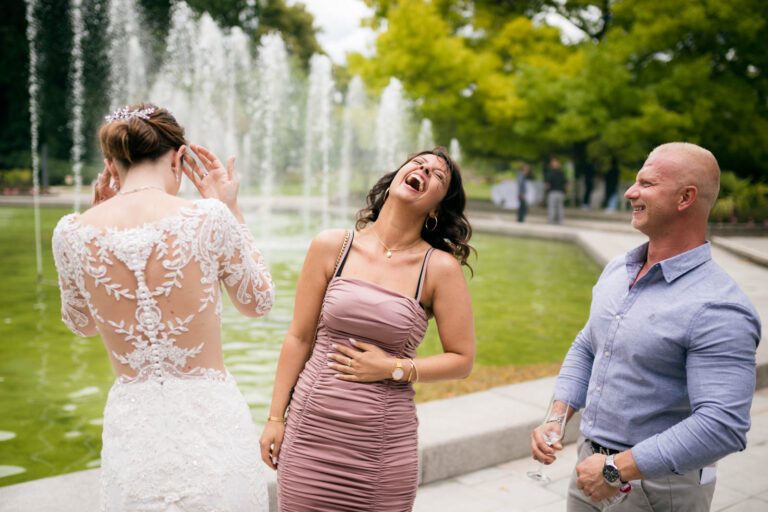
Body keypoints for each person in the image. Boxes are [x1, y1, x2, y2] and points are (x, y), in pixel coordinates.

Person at [52, 103, 274, 511]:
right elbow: (258, 301)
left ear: (111, 165)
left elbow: (81, 324)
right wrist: (231, 208)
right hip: (211, 421)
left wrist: (96, 209)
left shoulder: (72, 233)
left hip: (134, 429)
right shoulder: (209, 217)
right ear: (177, 158)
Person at [530, 142, 761, 510]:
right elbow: (589, 344)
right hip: (589, 468)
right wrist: (557, 418)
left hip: (656, 490)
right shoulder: (618, 269)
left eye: (647, 183)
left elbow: (722, 425)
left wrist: (615, 469)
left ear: (685, 198)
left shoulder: (719, 306)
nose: (630, 192)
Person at [260, 148, 476, 511]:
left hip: (382, 449)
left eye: (439, 175)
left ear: (437, 208)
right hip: (311, 433)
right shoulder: (332, 246)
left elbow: (462, 360)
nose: (425, 170)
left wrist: (394, 367)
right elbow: (299, 338)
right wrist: (274, 418)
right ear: (396, 177)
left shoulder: (439, 269)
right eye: (418, 163)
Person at [545, 157, 566, 224]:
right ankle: (560, 221)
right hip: (559, 192)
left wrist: (546, 192)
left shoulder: (550, 173)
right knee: (559, 208)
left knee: (552, 208)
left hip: (553, 192)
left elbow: (547, 184)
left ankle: (551, 221)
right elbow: (565, 183)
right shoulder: (562, 173)